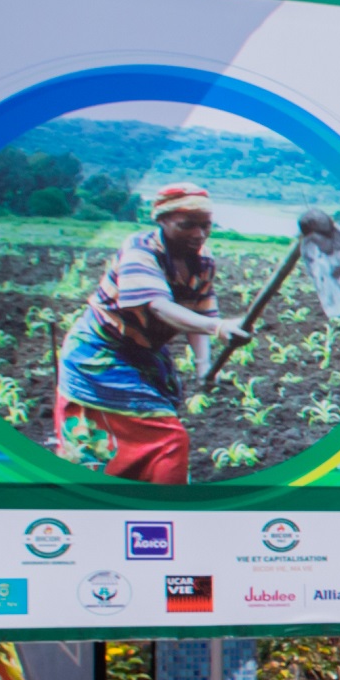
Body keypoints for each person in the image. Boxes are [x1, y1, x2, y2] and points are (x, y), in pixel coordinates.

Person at [56, 184, 237, 483]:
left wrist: (203, 364)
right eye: (187, 225)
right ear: (162, 221)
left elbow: (201, 308)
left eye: (206, 226)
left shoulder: (202, 260)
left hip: (143, 354)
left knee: (146, 433)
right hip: (100, 354)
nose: (199, 234)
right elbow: (158, 307)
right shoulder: (139, 250)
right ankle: (165, 507)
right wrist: (219, 329)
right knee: (167, 439)